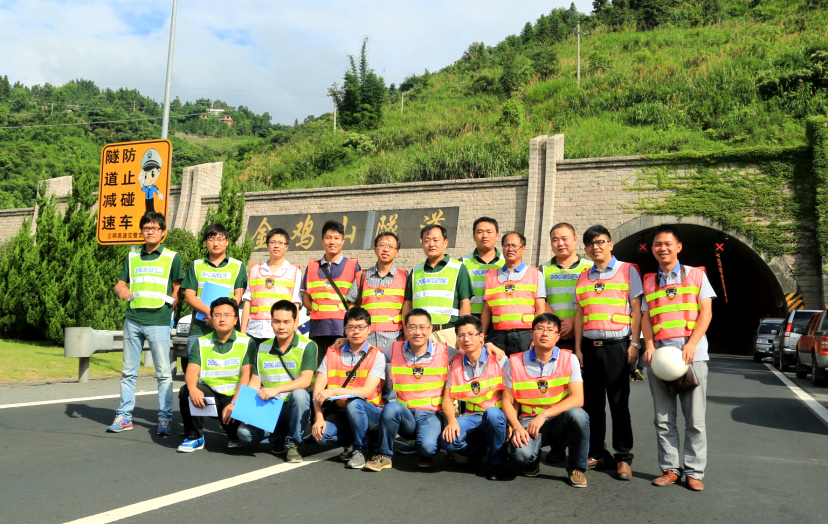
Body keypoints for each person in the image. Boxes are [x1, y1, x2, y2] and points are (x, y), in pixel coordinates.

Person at [641, 225, 715, 492]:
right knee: (663, 419)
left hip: (690, 356)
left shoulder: (696, 275)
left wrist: (692, 344)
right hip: (660, 358)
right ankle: (670, 469)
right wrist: (649, 345)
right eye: (657, 244)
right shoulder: (649, 281)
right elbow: (646, 317)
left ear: (679, 247)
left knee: (695, 419)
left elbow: (706, 312)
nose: (663, 248)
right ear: (652, 249)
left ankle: (694, 472)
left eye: (667, 244)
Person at [574, 225, 642, 480]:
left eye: (600, 242)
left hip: (617, 347)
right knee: (593, 405)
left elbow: (637, 310)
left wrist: (635, 344)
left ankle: (623, 457)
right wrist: (578, 349)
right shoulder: (583, 277)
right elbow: (579, 315)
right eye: (591, 244)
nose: (596, 247)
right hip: (590, 348)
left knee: (618, 404)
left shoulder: (627, 270)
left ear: (610, 244)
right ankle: (596, 453)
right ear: (586, 249)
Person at [108, 212, 183, 436]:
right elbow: (120, 284)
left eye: (155, 228)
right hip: (133, 319)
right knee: (128, 372)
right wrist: (121, 290)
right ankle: (124, 416)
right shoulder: (132, 257)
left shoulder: (172, 257)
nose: (150, 231)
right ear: (141, 231)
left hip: (158, 321)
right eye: (146, 228)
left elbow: (177, 287)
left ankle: (164, 418)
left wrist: (171, 305)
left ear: (163, 232)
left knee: (163, 373)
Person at [503, 313, 590, 488]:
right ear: (532, 333)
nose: (544, 333)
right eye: (540, 329)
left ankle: (576, 468)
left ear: (558, 337)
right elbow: (507, 401)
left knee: (579, 416)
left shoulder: (569, 359)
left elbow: (578, 398)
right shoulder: (514, 362)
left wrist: (544, 415)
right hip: (528, 421)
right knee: (521, 456)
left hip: (558, 420)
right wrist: (516, 427)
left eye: (550, 330)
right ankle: (532, 459)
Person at [363, 309, 448, 472]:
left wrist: (489, 345)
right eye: (412, 327)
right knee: (391, 407)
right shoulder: (394, 349)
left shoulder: (444, 351)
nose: (417, 332)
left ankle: (424, 447)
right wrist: (345, 339)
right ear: (405, 329)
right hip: (406, 416)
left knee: (428, 448)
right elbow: (369, 351)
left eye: (422, 327)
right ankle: (384, 455)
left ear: (430, 329)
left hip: (431, 415)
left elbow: (470, 353)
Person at [237, 300, 317, 463]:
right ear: (271, 322)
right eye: (277, 321)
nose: (281, 327)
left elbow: (306, 380)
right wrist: (247, 410)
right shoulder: (262, 347)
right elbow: (255, 381)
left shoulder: (308, 345)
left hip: (291, 406)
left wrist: (276, 390)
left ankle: (293, 444)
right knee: (243, 433)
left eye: (286, 322)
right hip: (269, 407)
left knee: (300, 394)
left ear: (295, 322)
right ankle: (277, 435)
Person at [177, 297, 255, 452]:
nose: (222, 319)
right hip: (210, 395)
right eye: (217, 315)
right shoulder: (201, 342)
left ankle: (232, 434)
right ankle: (195, 437)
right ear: (211, 319)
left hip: (234, 398)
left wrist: (234, 403)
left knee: (238, 435)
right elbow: (192, 369)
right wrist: (192, 389)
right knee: (186, 391)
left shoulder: (247, 342)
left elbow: (246, 376)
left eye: (227, 315)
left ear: (235, 319)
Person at [311, 307, 385, 469]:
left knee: (354, 403)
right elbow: (317, 391)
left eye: (361, 327)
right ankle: (353, 440)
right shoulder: (333, 352)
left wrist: (334, 391)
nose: (356, 331)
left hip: (371, 414)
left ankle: (361, 450)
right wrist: (319, 418)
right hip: (343, 412)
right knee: (321, 435)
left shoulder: (377, 355)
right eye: (351, 327)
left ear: (369, 329)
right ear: (345, 330)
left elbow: (366, 392)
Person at [440, 315, 509, 481]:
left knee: (492, 414)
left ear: (481, 337)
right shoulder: (455, 364)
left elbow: (512, 396)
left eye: (471, 334)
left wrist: (514, 424)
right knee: (447, 440)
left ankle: (497, 463)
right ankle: (477, 451)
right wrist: (452, 421)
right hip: (472, 417)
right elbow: (447, 399)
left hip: (497, 416)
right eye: (461, 335)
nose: (466, 339)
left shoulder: (499, 359)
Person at [182, 223, 247, 369]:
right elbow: (189, 296)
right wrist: (210, 313)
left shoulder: (238, 266)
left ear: (227, 242)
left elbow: (239, 296)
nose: (215, 243)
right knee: (196, 372)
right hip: (200, 328)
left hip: (228, 329)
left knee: (228, 371)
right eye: (211, 239)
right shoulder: (196, 265)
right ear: (206, 242)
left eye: (220, 239)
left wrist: (220, 316)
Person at [402, 224, 473, 347]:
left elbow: (465, 303)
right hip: (419, 334)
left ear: (445, 243)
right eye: (427, 241)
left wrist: (463, 335)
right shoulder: (416, 271)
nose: (431, 244)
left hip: (447, 333)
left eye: (436, 240)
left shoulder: (458, 268)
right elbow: (408, 304)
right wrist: (406, 332)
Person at [302, 220, 360, 361]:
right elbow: (306, 298)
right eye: (328, 238)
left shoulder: (353, 266)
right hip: (318, 328)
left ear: (343, 241)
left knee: (342, 366)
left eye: (336, 238)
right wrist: (319, 310)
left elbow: (356, 299)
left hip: (342, 328)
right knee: (319, 366)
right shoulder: (312, 266)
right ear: (322, 240)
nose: (332, 242)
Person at [481, 232, 546, 355]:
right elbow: (486, 310)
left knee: (523, 366)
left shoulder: (535, 274)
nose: (510, 249)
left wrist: (537, 336)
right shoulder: (491, 276)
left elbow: (540, 310)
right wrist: (482, 335)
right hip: (498, 335)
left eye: (514, 245)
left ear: (523, 249)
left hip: (525, 335)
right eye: (507, 245)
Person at [240, 228, 302, 346]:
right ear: (267, 245)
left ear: (286, 246)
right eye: (272, 242)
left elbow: (295, 304)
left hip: (281, 331)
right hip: (254, 330)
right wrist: (242, 334)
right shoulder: (255, 270)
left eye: (280, 243)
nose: (276, 246)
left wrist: (293, 334)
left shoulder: (294, 272)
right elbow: (248, 302)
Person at [346, 231, 407, 349]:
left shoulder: (404, 277)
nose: (386, 249)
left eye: (390, 247)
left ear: (397, 252)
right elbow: (352, 304)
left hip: (395, 342)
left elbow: (408, 307)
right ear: (375, 249)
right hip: (366, 342)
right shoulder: (361, 276)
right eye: (382, 245)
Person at [540, 222, 593, 351]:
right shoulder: (542, 270)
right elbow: (540, 301)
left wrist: (574, 321)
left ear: (575, 239)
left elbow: (595, 301)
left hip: (585, 334)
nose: (560, 243)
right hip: (553, 335)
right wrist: (558, 324)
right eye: (555, 240)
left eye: (564, 239)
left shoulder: (590, 268)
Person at [461, 217, 505, 317]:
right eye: (480, 232)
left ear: (497, 235)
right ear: (473, 236)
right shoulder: (462, 263)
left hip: (498, 317)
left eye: (489, 232)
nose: (485, 236)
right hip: (471, 317)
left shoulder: (506, 263)